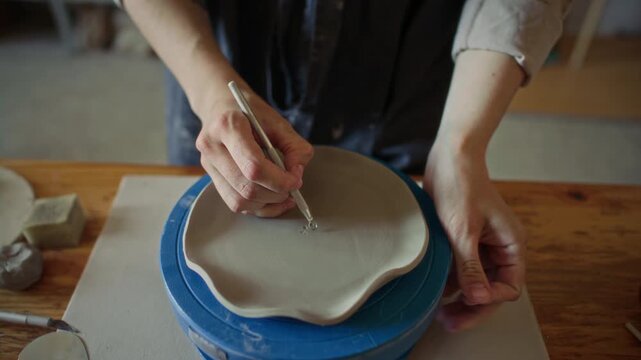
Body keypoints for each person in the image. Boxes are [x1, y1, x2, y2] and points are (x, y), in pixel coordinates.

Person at [120, 0, 569, 331]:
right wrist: (212, 91)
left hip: (414, 68)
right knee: (231, 173)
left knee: (412, 221)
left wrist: (460, 146)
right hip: (221, 54)